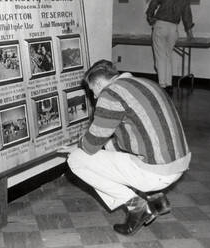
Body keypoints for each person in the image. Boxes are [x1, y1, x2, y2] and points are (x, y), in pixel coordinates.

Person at [59, 60, 191, 236]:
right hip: (179, 164)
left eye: (93, 91)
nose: (95, 97)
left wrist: (77, 148)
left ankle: (137, 207)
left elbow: (90, 146)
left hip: (158, 172)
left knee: (76, 160)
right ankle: (156, 198)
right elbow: (123, 139)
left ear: (98, 83)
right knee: (110, 147)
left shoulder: (110, 94)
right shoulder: (146, 83)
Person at [146, 0, 194, 95]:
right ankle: (169, 85)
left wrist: (150, 16)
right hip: (173, 29)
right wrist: (189, 32)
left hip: (161, 26)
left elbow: (153, 3)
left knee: (160, 57)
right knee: (168, 56)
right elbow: (187, 16)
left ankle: (162, 85)